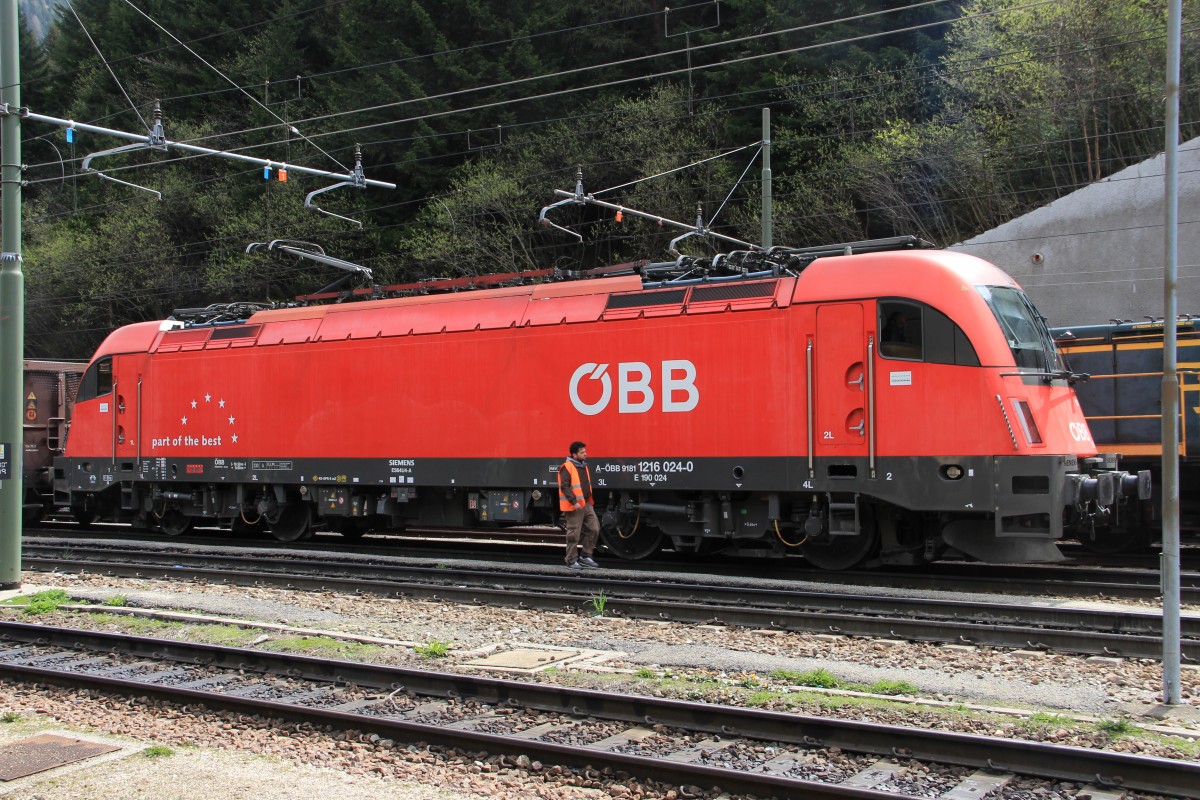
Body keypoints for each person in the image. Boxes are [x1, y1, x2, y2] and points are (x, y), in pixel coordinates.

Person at [558, 440, 600, 570]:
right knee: (573, 534)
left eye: (585, 451)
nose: (585, 454)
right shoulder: (567, 467)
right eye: (582, 452)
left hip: (586, 503)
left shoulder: (583, 466)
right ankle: (571, 560)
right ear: (574, 455)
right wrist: (574, 502)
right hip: (575, 506)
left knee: (594, 528)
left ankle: (585, 556)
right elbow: (564, 487)